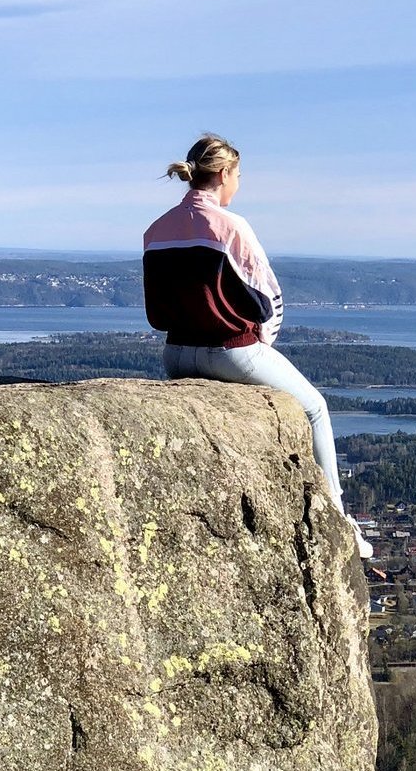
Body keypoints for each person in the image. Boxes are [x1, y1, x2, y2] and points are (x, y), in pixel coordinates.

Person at [142, 133, 372, 559]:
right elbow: (268, 300)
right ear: (225, 173)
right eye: (239, 175)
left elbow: (156, 314)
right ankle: (342, 520)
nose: (239, 183)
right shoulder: (232, 227)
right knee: (315, 407)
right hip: (232, 351)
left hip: (176, 354)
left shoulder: (155, 231)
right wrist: (258, 344)